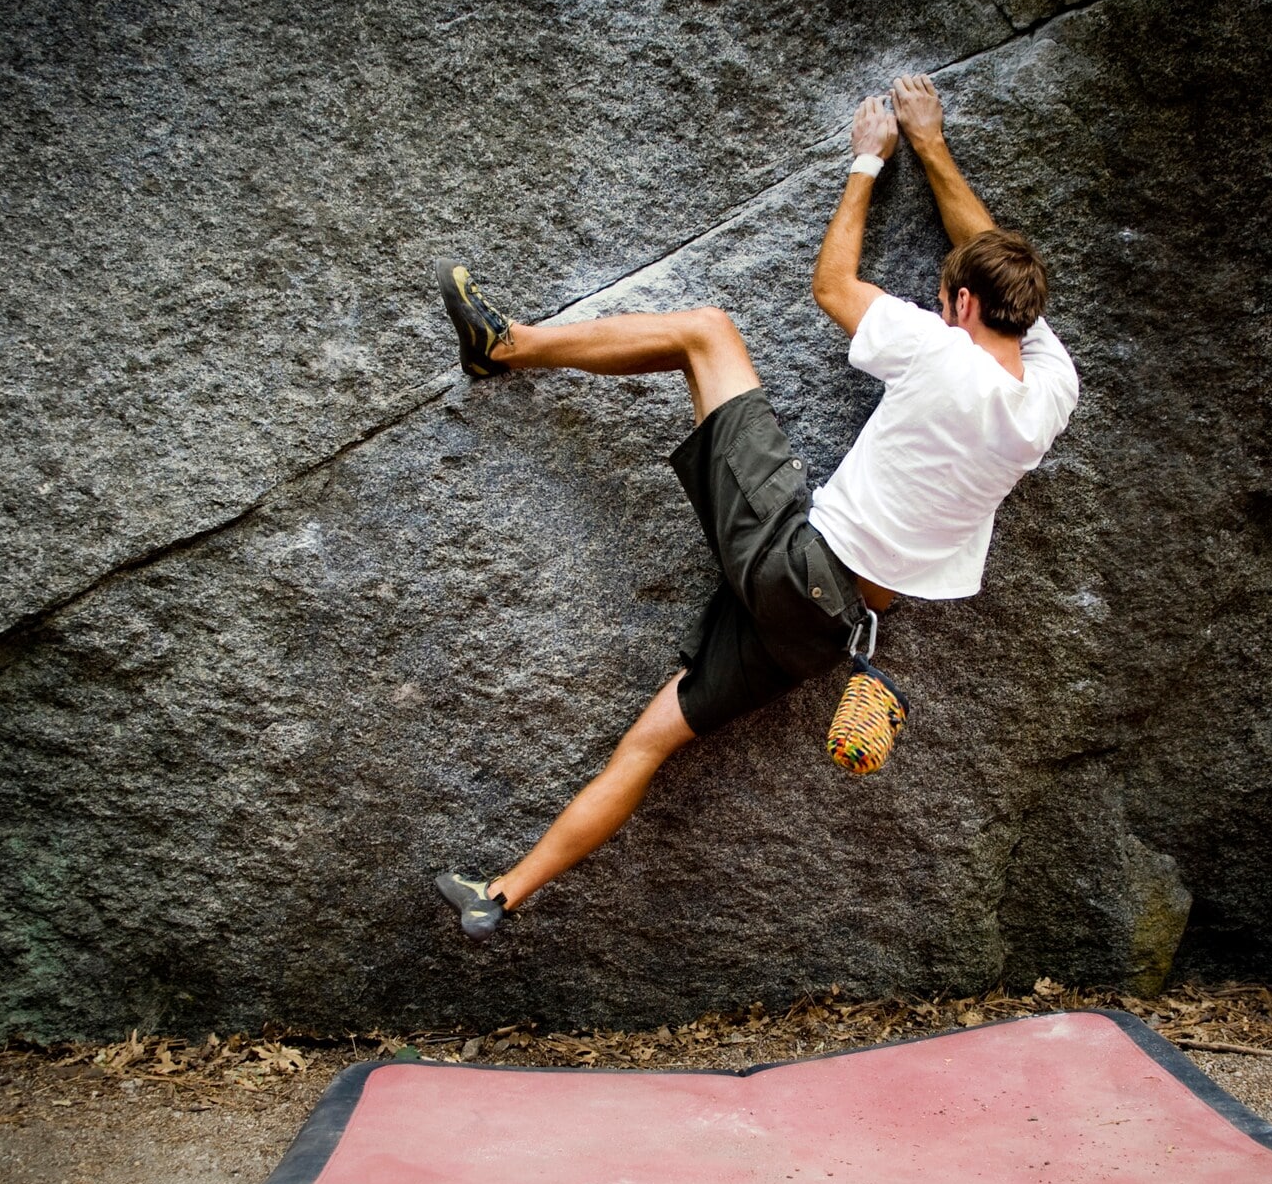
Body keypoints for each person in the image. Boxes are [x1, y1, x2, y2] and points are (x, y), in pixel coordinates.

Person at [433, 73, 1080, 939]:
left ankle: (504, 347)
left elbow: (833, 284)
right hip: (819, 635)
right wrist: (935, 149)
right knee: (653, 740)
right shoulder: (1051, 396)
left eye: (944, 298)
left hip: (790, 559)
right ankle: (502, 893)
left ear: (958, 306)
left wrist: (871, 158)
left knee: (708, 331)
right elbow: (1003, 278)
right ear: (1020, 315)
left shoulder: (938, 349)